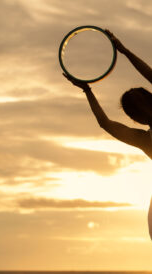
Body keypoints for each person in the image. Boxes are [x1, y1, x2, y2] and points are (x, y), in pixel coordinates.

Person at [63, 29, 152, 239]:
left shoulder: (146, 140)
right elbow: (106, 124)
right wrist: (87, 91)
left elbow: (105, 123)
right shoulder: (146, 140)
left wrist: (124, 51)